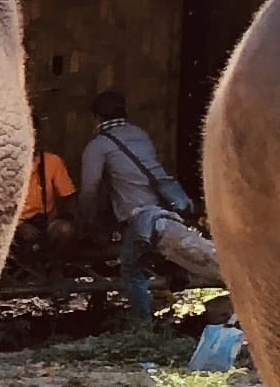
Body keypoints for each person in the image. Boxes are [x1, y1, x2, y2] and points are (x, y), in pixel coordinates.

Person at [81, 90, 216, 322]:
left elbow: (90, 188)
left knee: (131, 270)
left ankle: (143, 326)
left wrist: (88, 221)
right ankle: (176, 276)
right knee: (191, 253)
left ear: (96, 117)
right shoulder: (139, 134)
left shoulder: (99, 145)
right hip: (167, 212)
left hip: (142, 217)